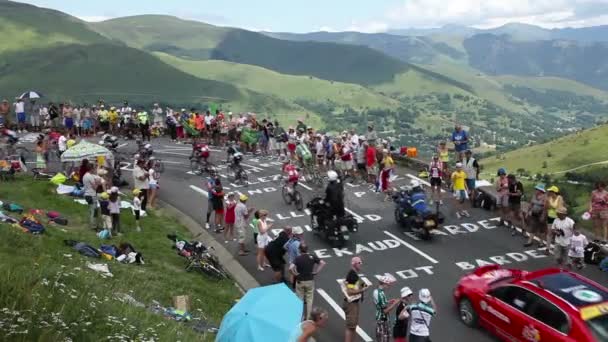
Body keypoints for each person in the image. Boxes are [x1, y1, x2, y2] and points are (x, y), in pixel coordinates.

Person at [291, 243, 326, 320]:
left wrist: (295, 274)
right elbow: (322, 263)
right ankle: (308, 317)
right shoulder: (312, 256)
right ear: (307, 249)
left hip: (300, 280)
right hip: (310, 280)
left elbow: (291, 268)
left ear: (299, 250)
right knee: (309, 299)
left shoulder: (298, 258)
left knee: (299, 299)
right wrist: (316, 271)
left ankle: (300, 316)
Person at [343, 256, 370, 342]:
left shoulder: (354, 274)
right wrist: (362, 290)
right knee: (350, 327)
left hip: (353, 303)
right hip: (351, 304)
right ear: (354, 264)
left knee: (353, 327)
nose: (361, 264)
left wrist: (362, 287)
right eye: (359, 263)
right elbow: (349, 292)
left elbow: (354, 286)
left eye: (361, 262)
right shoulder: (352, 275)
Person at [372, 274, 399, 342]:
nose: (389, 286)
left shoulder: (376, 291)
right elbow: (385, 311)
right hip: (383, 319)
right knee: (384, 339)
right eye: (388, 285)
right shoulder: (381, 295)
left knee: (380, 337)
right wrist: (395, 304)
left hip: (378, 316)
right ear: (384, 284)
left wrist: (388, 302)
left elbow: (380, 304)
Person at [545, 186, 565, 255]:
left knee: (557, 233)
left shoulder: (560, 198)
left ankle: (559, 248)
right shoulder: (549, 198)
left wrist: (551, 207)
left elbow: (559, 207)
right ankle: (547, 248)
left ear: (554, 192)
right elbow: (546, 207)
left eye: (550, 191)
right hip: (550, 216)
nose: (549, 193)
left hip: (558, 218)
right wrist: (551, 207)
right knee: (549, 233)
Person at [82, 164, 101, 229]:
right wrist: (98, 183)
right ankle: (94, 226)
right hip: (92, 195)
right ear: (91, 169)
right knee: (94, 211)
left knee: (91, 210)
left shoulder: (85, 176)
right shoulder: (90, 177)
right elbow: (95, 187)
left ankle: (93, 224)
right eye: (94, 168)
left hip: (87, 194)